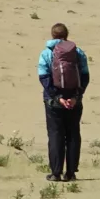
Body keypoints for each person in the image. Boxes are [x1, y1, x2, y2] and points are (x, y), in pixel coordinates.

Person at [37, 23, 89, 182]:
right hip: (74, 100)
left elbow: (44, 78)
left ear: (52, 35)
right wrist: (75, 97)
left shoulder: (46, 53)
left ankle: (56, 173)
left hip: (53, 102)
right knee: (73, 134)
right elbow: (85, 77)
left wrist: (57, 97)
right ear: (66, 35)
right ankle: (71, 173)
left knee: (55, 135)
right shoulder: (78, 52)